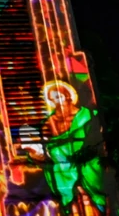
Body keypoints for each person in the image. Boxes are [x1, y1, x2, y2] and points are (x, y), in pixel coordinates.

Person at [26, 81, 106, 216]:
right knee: (74, 206)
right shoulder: (48, 124)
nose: (56, 101)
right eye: (52, 99)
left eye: (59, 97)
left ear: (68, 96)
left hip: (88, 168)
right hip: (62, 172)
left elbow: (97, 143)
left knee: (92, 202)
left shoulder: (88, 116)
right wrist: (35, 153)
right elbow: (45, 152)